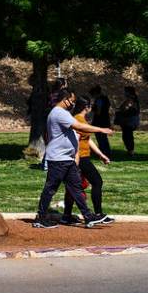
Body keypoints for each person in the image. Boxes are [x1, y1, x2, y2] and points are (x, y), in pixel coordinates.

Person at [32, 88, 114, 229]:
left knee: (75, 188)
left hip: (66, 158)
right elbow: (79, 126)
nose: (73, 103)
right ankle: (41, 217)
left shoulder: (61, 113)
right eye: (72, 100)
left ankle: (88, 217)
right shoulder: (59, 113)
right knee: (51, 188)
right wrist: (101, 129)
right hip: (58, 159)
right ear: (65, 99)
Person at [61, 96, 114, 224]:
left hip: (83, 157)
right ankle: (98, 213)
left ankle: (66, 215)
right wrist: (76, 160)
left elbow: (87, 139)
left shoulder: (80, 120)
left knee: (73, 186)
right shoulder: (78, 121)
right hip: (81, 158)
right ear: (87, 107)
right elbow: (76, 141)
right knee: (97, 182)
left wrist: (101, 154)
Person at [113, 86, 140, 156]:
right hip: (129, 120)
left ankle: (131, 151)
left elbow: (126, 107)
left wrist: (121, 109)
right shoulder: (132, 99)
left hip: (129, 121)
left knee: (128, 136)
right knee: (127, 135)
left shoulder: (131, 99)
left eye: (125, 91)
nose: (124, 93)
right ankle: (130, 150)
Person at [89, 85, 112, 157]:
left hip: (100, 121)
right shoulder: (105, 98)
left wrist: (91, 109)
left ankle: (104, 152)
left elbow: (98, 111)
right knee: (103, 137)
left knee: (101, 137)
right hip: (105, 120)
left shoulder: (99, 99)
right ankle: (105, 151)